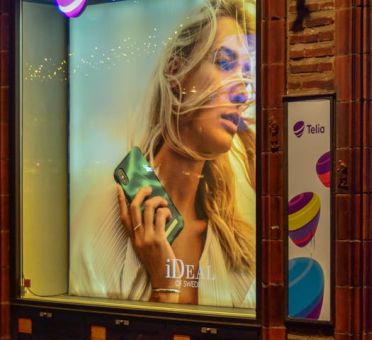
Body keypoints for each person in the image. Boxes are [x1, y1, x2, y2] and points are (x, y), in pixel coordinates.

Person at [70, 0, 256, 309]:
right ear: (175, 71)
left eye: (247, 75)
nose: (241, 93)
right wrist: (163, 287)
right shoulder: (102, 219)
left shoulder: (237, 245)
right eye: (224, 63)